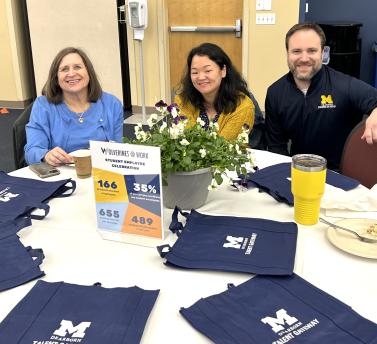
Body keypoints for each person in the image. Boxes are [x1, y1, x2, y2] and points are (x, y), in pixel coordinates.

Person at [265, 23, 377, 170]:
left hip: (340, 173)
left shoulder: (345, 86)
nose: (304, 58)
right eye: (296, 51)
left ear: (323, 52)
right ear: (287, 53)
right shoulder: (275, 93)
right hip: (298, 170)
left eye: (312, 51)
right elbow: (276, 147)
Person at [25, 47, 124, 166]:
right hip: (61, 175)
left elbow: (118, 149)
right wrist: (46, 155)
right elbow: (32, 151)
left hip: (102, 172)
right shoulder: (43, 106)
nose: (71, 73)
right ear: (56, 78)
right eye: (64, 69)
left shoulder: (111, 104)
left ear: (89, 72)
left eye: (77, 67)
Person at [174, 43, 255, 141]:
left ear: (223, 71)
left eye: (207, 71)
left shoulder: (242, 106)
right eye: (195, 72)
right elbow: (185, 141)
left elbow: (222, 148)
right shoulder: (182, 101)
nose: (201, 77)